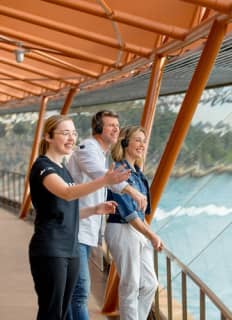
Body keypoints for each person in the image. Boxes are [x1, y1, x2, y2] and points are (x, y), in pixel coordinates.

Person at [28, 114, 130, 320]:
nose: (71, 138)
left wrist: (94, 209)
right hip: (51, 249)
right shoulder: (43, 167)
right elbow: (66, 192)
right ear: (48, 137)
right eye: (65, 133)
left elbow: (66, 210)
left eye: (74, 133)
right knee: (52, 312)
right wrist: (105, 180)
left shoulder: (63, 170)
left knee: (65, 312)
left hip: (71, 248)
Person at [66, 111, 147, 320]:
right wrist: (131, 190)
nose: (115, 129)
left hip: (85, 228)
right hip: (76, 229)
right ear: (98, 128)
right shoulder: (87, 149)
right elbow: (102, 177)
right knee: (80, 293)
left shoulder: (99, 154)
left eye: (117, 126)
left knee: (74, 293)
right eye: (110, 125)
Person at [105, 125, 164, 320]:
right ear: (125, 142)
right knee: (131, 284)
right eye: (137, 140)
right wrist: (152, 235)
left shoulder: (138, 174)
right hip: (121, 229)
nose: (142, 145)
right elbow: (130, 214)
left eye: (144, 140)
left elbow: (142, 213)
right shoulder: (119, 171)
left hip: (137, 231)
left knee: (149, 284)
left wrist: (148, 233)